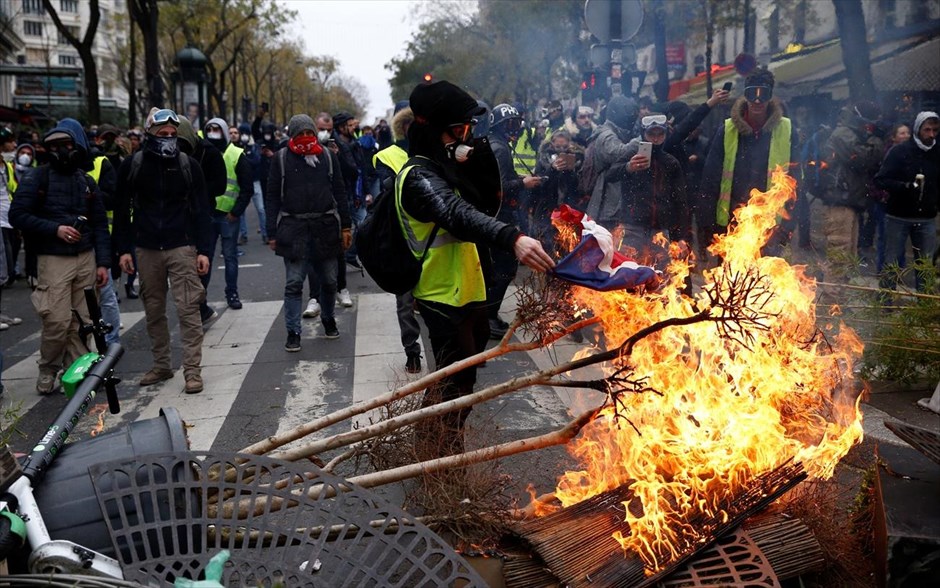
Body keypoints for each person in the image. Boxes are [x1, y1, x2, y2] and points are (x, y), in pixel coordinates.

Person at [398, 80, 554, 455]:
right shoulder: (418, 176)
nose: (466, 137)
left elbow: (486, 202)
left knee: (461, 384)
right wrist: (512, 238)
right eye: (459, 130)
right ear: (436, 130)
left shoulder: (444, 167)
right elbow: (457, 213)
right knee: (453, 386)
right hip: (440, 295)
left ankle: (437, 452)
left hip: (468, 291)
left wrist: (473, 161)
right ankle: (439, 460)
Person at [113, 108, 212, 394]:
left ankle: (192, 371)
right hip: (146, 248)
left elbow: (202, 210)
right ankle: (162, 365)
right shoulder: (133, 165)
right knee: (154, 310)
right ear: (149, 135)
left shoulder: (188, 166)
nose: (168, 139)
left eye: (173, 134)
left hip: (182, 246)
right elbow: (121, 210)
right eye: (162, 134)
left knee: (188, 310)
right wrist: (123, 250)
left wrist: (203, 250)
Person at [9, 118, 111, 394]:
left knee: (84, 322)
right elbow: (17, 215)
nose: (63, 151)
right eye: (56, 146)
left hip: (86, 257)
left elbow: (100, 224)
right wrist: (56, 229)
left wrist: (103, 263)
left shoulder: (87, 182)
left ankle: (78, 372)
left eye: (67, 145)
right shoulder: (36, 178)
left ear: (77, 147)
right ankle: (48, 367)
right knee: (56, 320)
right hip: (52, 259)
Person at [265, 114, 351, 351]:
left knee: (330, 281)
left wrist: (346, 225)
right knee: (294, 283)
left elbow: (340, 192)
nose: (305, 138)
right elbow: (272, 196)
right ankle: (293, 332)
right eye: (300, 134)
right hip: (294, 230)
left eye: (309, 133)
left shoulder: (327, 158)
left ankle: (328, 318)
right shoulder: (281, 159)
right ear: (292, 135)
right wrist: (271, 232)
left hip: (325, 228)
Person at [700, 67, 800, 254]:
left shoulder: (786, 129)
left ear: (770, 97)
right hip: (731, 224)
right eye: (752, 93)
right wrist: (708, 224)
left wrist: (788, 225)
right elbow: (710, 179)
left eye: (763, 95)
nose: (756, 100)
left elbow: (796, 182)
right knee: (731, 281)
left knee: (766, 280)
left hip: (770, 226)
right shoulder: (727, 129)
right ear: (744, 95)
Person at [372, 104, 423, 373]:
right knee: (404, 300)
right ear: (402, 127)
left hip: (431, 239)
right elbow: (388, 188)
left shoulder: (433, 151)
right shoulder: (386, 156)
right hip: (402, 236)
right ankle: (412, 351)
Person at [486, 103, 542, 338]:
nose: (515, 129)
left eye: (517, 123)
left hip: (498, 215)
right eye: (510, 124)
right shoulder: (499, 148)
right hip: (498, 216)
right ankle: (488, 317)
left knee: (500, 267)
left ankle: (488, 315)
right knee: (505, 268)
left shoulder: (497, 145)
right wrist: (522, 183)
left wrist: (517, 177)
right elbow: (494, 186)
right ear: (498, 125)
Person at [874, 111, 939, 293]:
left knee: (925, 265)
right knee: (892, 262)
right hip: (898, 216)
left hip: (926, 218)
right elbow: (881, 180)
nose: (931, 134)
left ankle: (922, 307)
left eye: (935, 130)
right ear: (918, 129)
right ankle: (885, 303)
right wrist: (906, 186)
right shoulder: (899, 151)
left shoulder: (937, 152)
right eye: (927, 130)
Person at [819, 102, 885, 263]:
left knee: (849, 256)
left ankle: (839, 288)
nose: (870, 127)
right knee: (839, 253)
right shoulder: (843, 133)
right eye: (871, 123)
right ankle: (832, 289)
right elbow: (864, 158)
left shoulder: (854, 133)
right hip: (840, 199)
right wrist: (877, 139)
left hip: (851, 199)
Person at [201, 117, 253, 311]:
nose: (213, 132)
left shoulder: (237, 154)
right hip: (208, 214)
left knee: (230, 256)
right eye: (210, 129)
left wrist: (236, 212)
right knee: (205, 256)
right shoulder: (204, 152)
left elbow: (246, 188)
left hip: (228, 216)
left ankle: (232, 293)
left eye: (216, 129)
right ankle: (201, 298)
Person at [860, 122, 910, 272]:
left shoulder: (911, 153)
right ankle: (883, 270)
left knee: (900, 237)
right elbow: (876, 178)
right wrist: (882, 195)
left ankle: (899, 269)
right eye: (902, 133)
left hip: (902, 202)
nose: (906, 136)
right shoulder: (886, 153)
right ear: (893, 137)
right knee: (885, 237)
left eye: (908, 133)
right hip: (884, 202)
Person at [585, 95, 640, 229]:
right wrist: (641, 140)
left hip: (612, 201)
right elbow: (618, 154)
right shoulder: (606, 135)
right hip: (607, 203)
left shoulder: (613, 132)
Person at [331, 111, 362, 307]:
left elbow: (361, 168)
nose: (353, 128)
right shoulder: (337, 146)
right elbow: (351, 169)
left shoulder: (353, 143)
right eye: (350, 125)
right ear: (341, 126)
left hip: (353, 192)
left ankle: (349, 255)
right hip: (341, 192)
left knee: (360, 223)